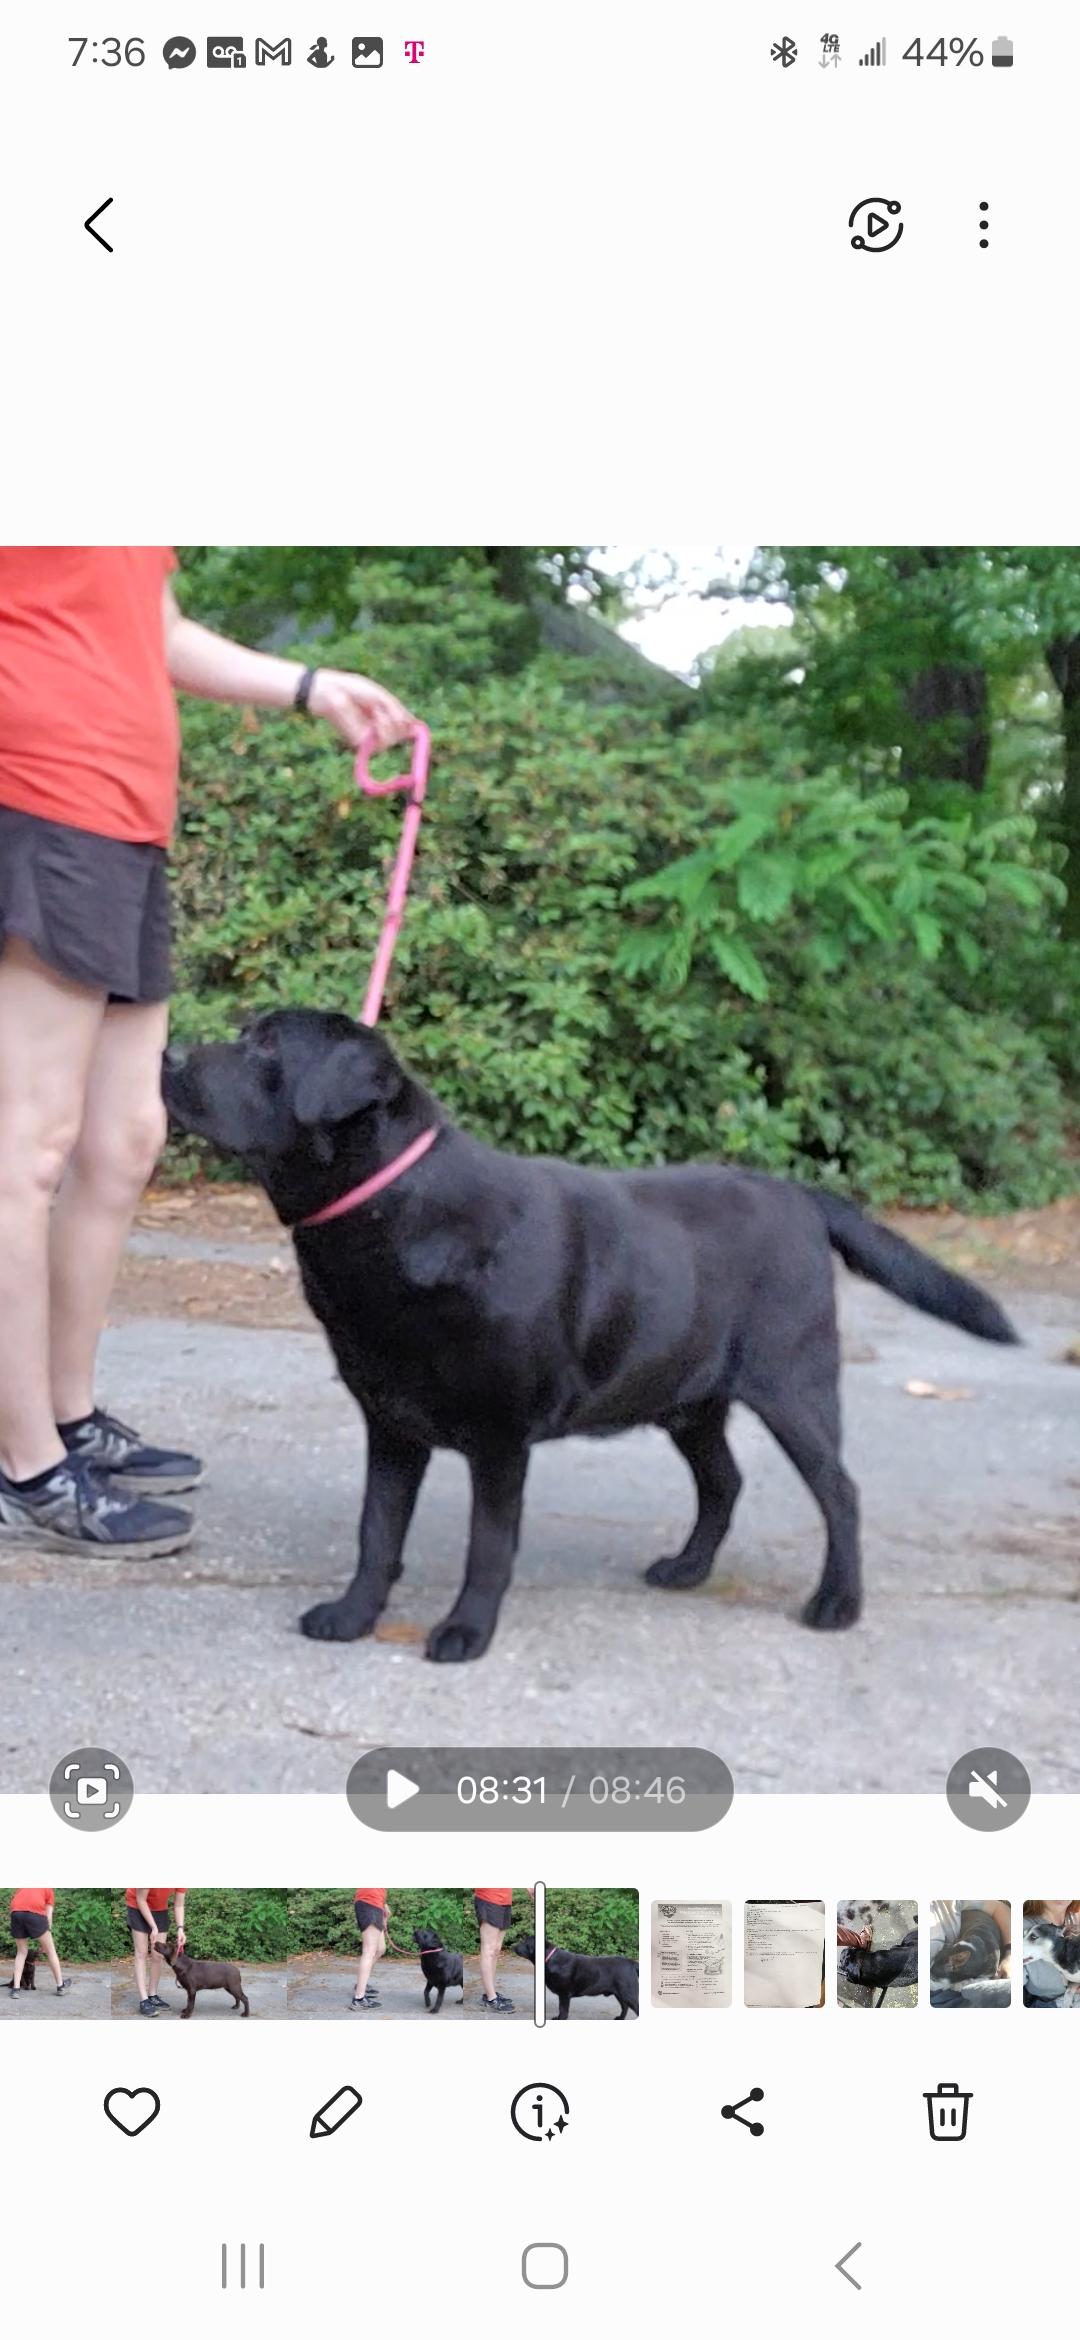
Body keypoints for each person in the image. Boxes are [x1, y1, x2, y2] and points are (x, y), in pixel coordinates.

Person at [0, 548, 414, 1558]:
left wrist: (312, 687)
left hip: (125, 821)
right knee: (27, 1148)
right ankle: (22, 1463)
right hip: (41, 796)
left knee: (125, 1140)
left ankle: (67, 1414)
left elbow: (158, 629)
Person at [125, 1885, 187, 2016]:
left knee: (158, 1955)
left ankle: (152, 1995)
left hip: (160, 1909)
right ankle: (144, 2000)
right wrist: (153, 1927)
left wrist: (180, 1929)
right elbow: (141, 1900)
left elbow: (179, 1905)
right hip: (137, 1905)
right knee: (141, 1953)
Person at [474, 1885, 532, 2012]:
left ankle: (489, 1993)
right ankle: (491, 1998)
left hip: (505, 1899)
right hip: (489, 1897)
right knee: (489, 1950)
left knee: (496, 1950)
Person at [6, 1887, 71, 1998]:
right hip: (34, 1914)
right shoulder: (48, 1889)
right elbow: (48, 1917)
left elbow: (14, 1902)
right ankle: (60, 1986)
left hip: (16, 1913)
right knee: (51, 1951)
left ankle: (15, 1989)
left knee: (21, 1952)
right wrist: (46, 1936)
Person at [352, 1888, 390, 2011]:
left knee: (380, 1949)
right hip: (369, 1902)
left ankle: (361, 1985)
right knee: (369, 1951)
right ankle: (359, 1999)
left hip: (376, 1903)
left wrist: (383, 1904)